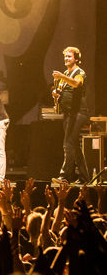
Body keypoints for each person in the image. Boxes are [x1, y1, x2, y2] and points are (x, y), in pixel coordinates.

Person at [51, 46, 89, 184]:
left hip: (78, 113)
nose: (66, 59)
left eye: (69, 56)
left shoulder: (79, 72)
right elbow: (63, 90)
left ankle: (65, 176)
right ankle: (85, 178)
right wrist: (56, 94)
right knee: (74, 146)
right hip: (68, 113)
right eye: (65, 56)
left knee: (68, 144)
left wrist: (62, 76)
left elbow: (77, 84)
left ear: (76, 59)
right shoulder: (66, 73)